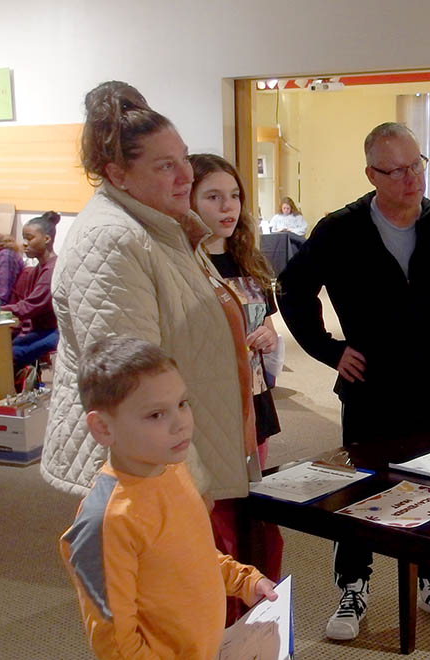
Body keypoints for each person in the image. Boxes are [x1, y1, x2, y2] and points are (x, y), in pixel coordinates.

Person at [278, 121, 430, 641]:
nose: (412, 179)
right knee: (362, 486)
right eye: (396, 171)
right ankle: (354, 584)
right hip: (370, 385)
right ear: (371, 174)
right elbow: (293, 289)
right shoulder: (340, 230)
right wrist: (329, 350)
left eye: (417, 165)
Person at [44, 81, 258, 522]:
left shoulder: (163, 228)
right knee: (164, 588)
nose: (186, 176)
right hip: (151, 475)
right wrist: (189, 485)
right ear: (117, 173)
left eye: (184, 158)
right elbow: (138, 389)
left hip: (175, 453)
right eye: (166, 166)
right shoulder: (112, 240)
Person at [59, 336, 277, 659]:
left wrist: (244, 581)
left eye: (182, 403)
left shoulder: (172, 469)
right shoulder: (106, 521)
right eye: (156, 415)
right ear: (104, 428)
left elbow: (195, 557)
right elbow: (116, 643)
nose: (181, 423)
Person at [189, 152, 285, 621]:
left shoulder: (247, 260)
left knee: (255, 507)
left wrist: (269, 336)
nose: (227, 207)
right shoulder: (182, 269)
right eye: (212, 197)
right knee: (215, 517)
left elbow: (264, 328)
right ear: (188, 202)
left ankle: (258, 610)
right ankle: (220, 616)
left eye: (234, 196)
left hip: (254, 407)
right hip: (209, 413)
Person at [1, 211, 60, 370]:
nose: (24, 243)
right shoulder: (35, 270)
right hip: (38, 330)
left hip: (52, 332)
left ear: (47, 239)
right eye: (23, 238)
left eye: (30, 238)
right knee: (1, 348)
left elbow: (30, 306)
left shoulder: (52, 269)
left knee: (8, 357)